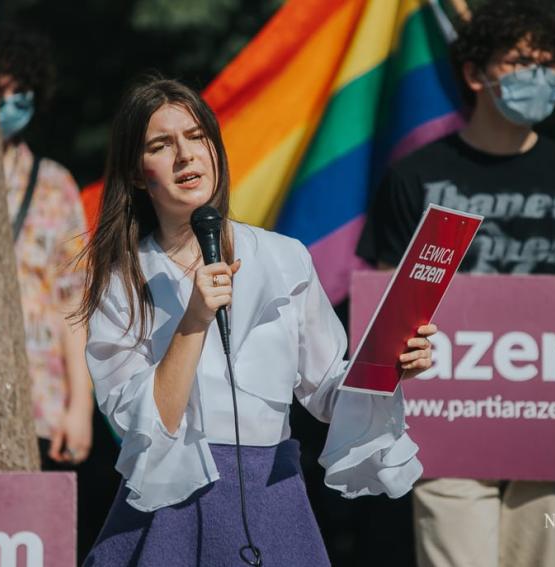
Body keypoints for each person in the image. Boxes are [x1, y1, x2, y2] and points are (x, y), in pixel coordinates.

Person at [78, 78, 436, 566]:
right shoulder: (124, 279)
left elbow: (329, 392)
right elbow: (143, 426)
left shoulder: (283, 256)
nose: (186, 155)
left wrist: (390, 365)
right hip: (171, 507)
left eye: (197, 136)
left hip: (273, 494)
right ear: (139, 174)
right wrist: (194, 321)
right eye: (161, 145)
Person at [356, 3, 555, 567]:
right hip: (445, 426)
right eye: (520, 62)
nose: (538, 76)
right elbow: (384, 301)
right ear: (475, 74)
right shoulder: (414, 177)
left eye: (548, 64)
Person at [0, 25, 99, 563]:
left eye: (21, 94)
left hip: (38, 400)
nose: (9, 105)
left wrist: (79, 408)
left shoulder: (54, 182)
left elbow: (73, 301)